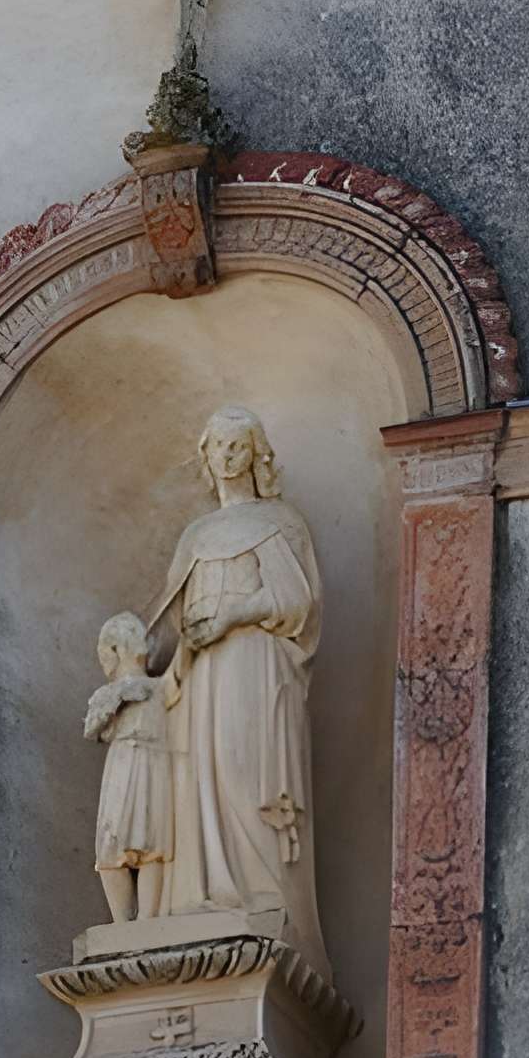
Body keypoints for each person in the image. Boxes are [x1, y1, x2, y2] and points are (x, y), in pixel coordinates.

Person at [147, 406, 329, 976]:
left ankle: (262, 901)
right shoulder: (196, 536)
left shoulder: (280, 521)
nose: (226, 457)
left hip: (254, 664)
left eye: (237, 447)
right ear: (204, 457)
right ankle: (200, 898)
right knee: (198, 776)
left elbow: (299, 604)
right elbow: (169, 619)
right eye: (217, 447)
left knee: (247, 772)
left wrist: (233, 616)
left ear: (256, 455)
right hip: (200, 671)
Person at [83, 612, 172, 922]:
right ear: (116, 650)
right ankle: (121, 924)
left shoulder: (162, 687)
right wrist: (118, 697)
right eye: (133, 637)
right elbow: (92, 729)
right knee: (111, 843)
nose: (143, 644)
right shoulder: (107, 694)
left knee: (153, 841)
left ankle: (148, 920)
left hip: (155, 761)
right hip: (121, 763)